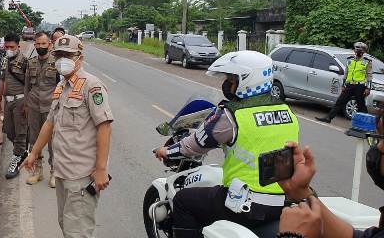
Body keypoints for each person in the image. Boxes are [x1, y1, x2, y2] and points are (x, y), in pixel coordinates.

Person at [153, 51, 300, 238]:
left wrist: (167, 151)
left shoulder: (232, 115)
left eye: (231, 80)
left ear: (247, 80)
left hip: (247, 204)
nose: (227, 84)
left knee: (183, 201)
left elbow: (195, 145)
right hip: (283, 200)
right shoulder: (287, 112)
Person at [21, 35, 113, 238]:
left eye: (67, 55)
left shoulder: (92, 85)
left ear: (79, 57)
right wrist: (34, 152)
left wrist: (101, 169)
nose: (62, 59)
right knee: (65, 224)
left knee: (77, 232)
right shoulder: (62, 86)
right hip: (63, 171)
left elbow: (104, 127)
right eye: (59, 55)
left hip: (81, 174)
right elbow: (50, 123)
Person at [24, 31, 59, 187]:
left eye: (43, 44)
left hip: (51, 108)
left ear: (49, 44)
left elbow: (62, 86)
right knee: (34, 139)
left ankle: (54, 172)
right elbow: (26, 87)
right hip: (33, 106)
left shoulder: (57, 63)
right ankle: (37, 171)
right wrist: (26, 104)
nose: (40, 47)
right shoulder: (30, 63)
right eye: (37, 44)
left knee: (52, 141)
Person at [0, 33, 29, 178]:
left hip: (20, 100)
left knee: (20, 132)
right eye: (7, 46)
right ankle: (23, 151)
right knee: (9, 131)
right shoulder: (5, 60)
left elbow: (29, 84)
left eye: (12, 47)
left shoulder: (24, 61)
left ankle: (16, 160)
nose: (9, 49)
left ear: (18, 46)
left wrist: (27, 103)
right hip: (7, 101)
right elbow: (2, 80)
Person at [317, 42, 372, 123]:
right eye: (357, 51)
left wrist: (368, 88)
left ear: (363, 52)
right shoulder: (350, 60)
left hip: (360, 86)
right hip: (349, 85)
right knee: (340, 101)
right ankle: (328, 118)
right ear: (354, 51)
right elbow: (346, 73)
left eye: (360, 51)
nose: (358, 52)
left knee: (361, 105)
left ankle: (365, 123)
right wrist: (343, 85)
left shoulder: (367, 61)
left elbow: (369, 75)